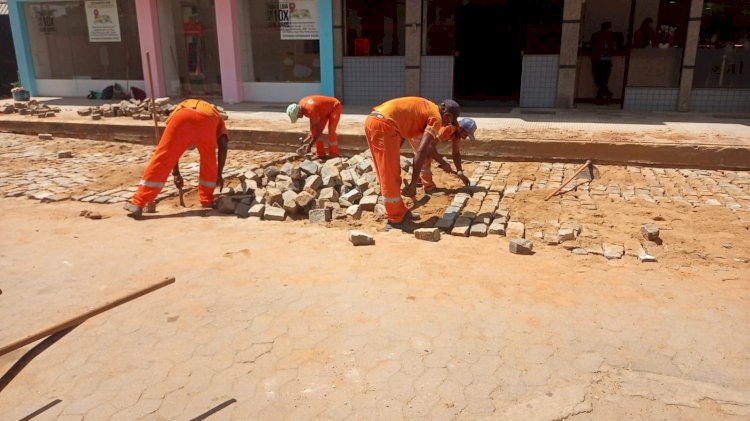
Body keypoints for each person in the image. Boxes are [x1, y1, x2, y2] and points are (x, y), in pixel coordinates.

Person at [364, 97, 460, 230]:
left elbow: (403, 127)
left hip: (377, 121)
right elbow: (422, 150)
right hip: (384, 124)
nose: (445, 125)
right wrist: (414, 183)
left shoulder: (429, 107)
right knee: (390, 173)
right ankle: (394, 218)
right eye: (449, 122)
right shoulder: (436, 118)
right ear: (447, 115)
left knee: (390, 169)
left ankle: (399, 210)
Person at [124, 98, 229, 218]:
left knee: (163, 156)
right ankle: (207, 200)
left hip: (181, 117)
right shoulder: (217, 118)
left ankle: (138, 203)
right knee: (208, 159)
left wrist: (176, 173)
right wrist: (219, 174)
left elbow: (173, 151)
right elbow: (223, 147)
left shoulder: (179, 108)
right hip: (206, 119)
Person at [406, 117, 477, 192]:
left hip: (426, 138)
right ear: (461, 128)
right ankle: (429, 187)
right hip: (417, 133)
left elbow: (456, 153)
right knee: (426, 158)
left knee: (429, 156)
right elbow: (428, 146)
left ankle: (418, 179)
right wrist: (443, 163)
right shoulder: (447, 129)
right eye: (466, 134)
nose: (465, 138)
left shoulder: (457, 134)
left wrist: (459, 171)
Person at [590, 21, 617, 101]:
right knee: (603, 79)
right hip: (606, 60)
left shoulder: (596, 35)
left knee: (599, 79)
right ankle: (605, 94)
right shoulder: (611, 36)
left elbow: (592, 46)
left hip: (598, 59)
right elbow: (614, 47)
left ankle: (602, 95)